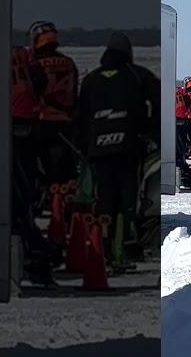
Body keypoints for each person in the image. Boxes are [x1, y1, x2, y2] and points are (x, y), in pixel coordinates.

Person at [77, 32, 160, 270]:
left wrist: (85, 144)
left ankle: (101, 247)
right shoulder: (136, 75)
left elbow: (80, 115)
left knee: (103, 198)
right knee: (128, 198)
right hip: (128, 147)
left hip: (98, 150)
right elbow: (158, 99)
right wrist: (150, 130)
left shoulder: (91, 79)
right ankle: (122, 247)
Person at [11, 45, 54, 285]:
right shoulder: (23, 53)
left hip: (5, 122)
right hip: (28, 124)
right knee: (21, 195)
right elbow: (40, 81)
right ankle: (36, 261)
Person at [28, 21, 79, 200]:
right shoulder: (68, 62)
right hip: (67, 123)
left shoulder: (35, 65)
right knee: (66, 171)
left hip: (41, 122)